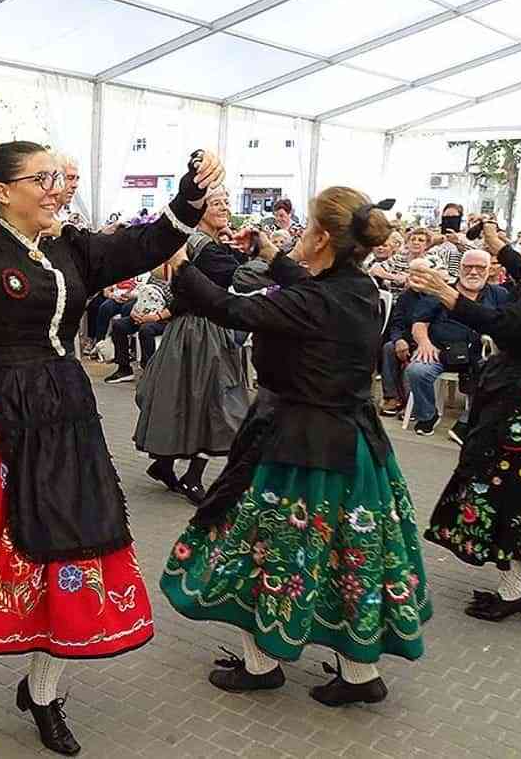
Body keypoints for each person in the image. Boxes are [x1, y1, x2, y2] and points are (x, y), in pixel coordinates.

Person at [0, 87, 221, 754]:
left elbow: (150, 240)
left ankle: (43, 689)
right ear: (2, 191)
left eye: (59, 177)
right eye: (45, 178)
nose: (59, 188)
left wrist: (191, 189)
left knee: (72, 545)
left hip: (62, 412)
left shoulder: (73, 249)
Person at [161, 187, 431, 707]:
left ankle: (263, 664)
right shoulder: (358, 289)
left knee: (268, 552)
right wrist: (270, 255)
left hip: (299, 445)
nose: (299, 236)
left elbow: (228, 308)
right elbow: (309, 291)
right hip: (351, 442)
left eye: (307, 228)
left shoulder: (316, 300)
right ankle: (359, 673)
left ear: (325, 238)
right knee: (349, 556)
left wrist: (174, 261)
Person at [409, 202, 521, 622]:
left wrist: (445, 293)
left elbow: (506, 324)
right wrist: (498, 243)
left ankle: (513, 591)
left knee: (500, 492)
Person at [132, 187, 248, 503]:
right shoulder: (206, 249)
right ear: (201, 211)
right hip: (202, 333)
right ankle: (192, 477)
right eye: (217, 203)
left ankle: (165, 465)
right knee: (215, 405)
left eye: (226, 201)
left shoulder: (200, 244)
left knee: (192, 401)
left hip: (192, 332)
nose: (224, 206)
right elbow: (206, 288)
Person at [403, 249, 509, 439]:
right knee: (416, 370)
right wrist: (424, 343)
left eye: (479, 267)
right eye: (468, 267)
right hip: (441, 351)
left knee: (496, 376)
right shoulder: (441, 291)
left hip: (480, 355)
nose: (473, 272)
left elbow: (507, 325)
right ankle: (428, 415)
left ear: (490, 270)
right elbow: (419, 322)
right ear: (459, 268)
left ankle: (466, 422)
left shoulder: (499, 295)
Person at [104, 263, 171, 380]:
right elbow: (144, 295)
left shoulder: (178, 279)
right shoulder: (154, 276)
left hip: (165, 318)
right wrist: (134, 312)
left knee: (146, 329)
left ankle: (148, 372)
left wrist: (155, 317)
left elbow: (176, 308)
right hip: (145, 312)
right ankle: (124, 368)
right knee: (119, 325)